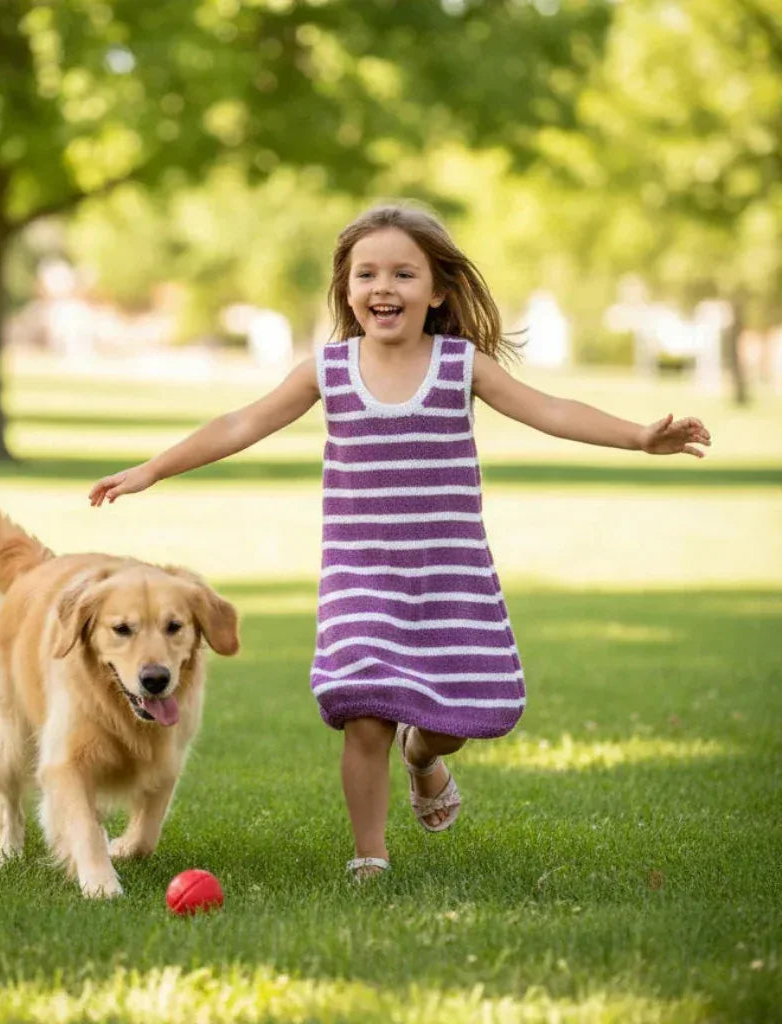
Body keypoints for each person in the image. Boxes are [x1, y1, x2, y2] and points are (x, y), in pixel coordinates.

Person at [87, 203, 712, 880]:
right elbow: (241, 423)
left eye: (403, 273)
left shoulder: (458, 365)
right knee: (363, 715)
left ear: (438, 289)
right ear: (347, 289)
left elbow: (551, 410)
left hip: (449, 578)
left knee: (458, 715)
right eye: (367, 274)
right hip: (363, 579)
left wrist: (640, 437)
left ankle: (423, 755)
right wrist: (153, 468)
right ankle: (371, 859)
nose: (383, 287)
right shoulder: (327, 370)